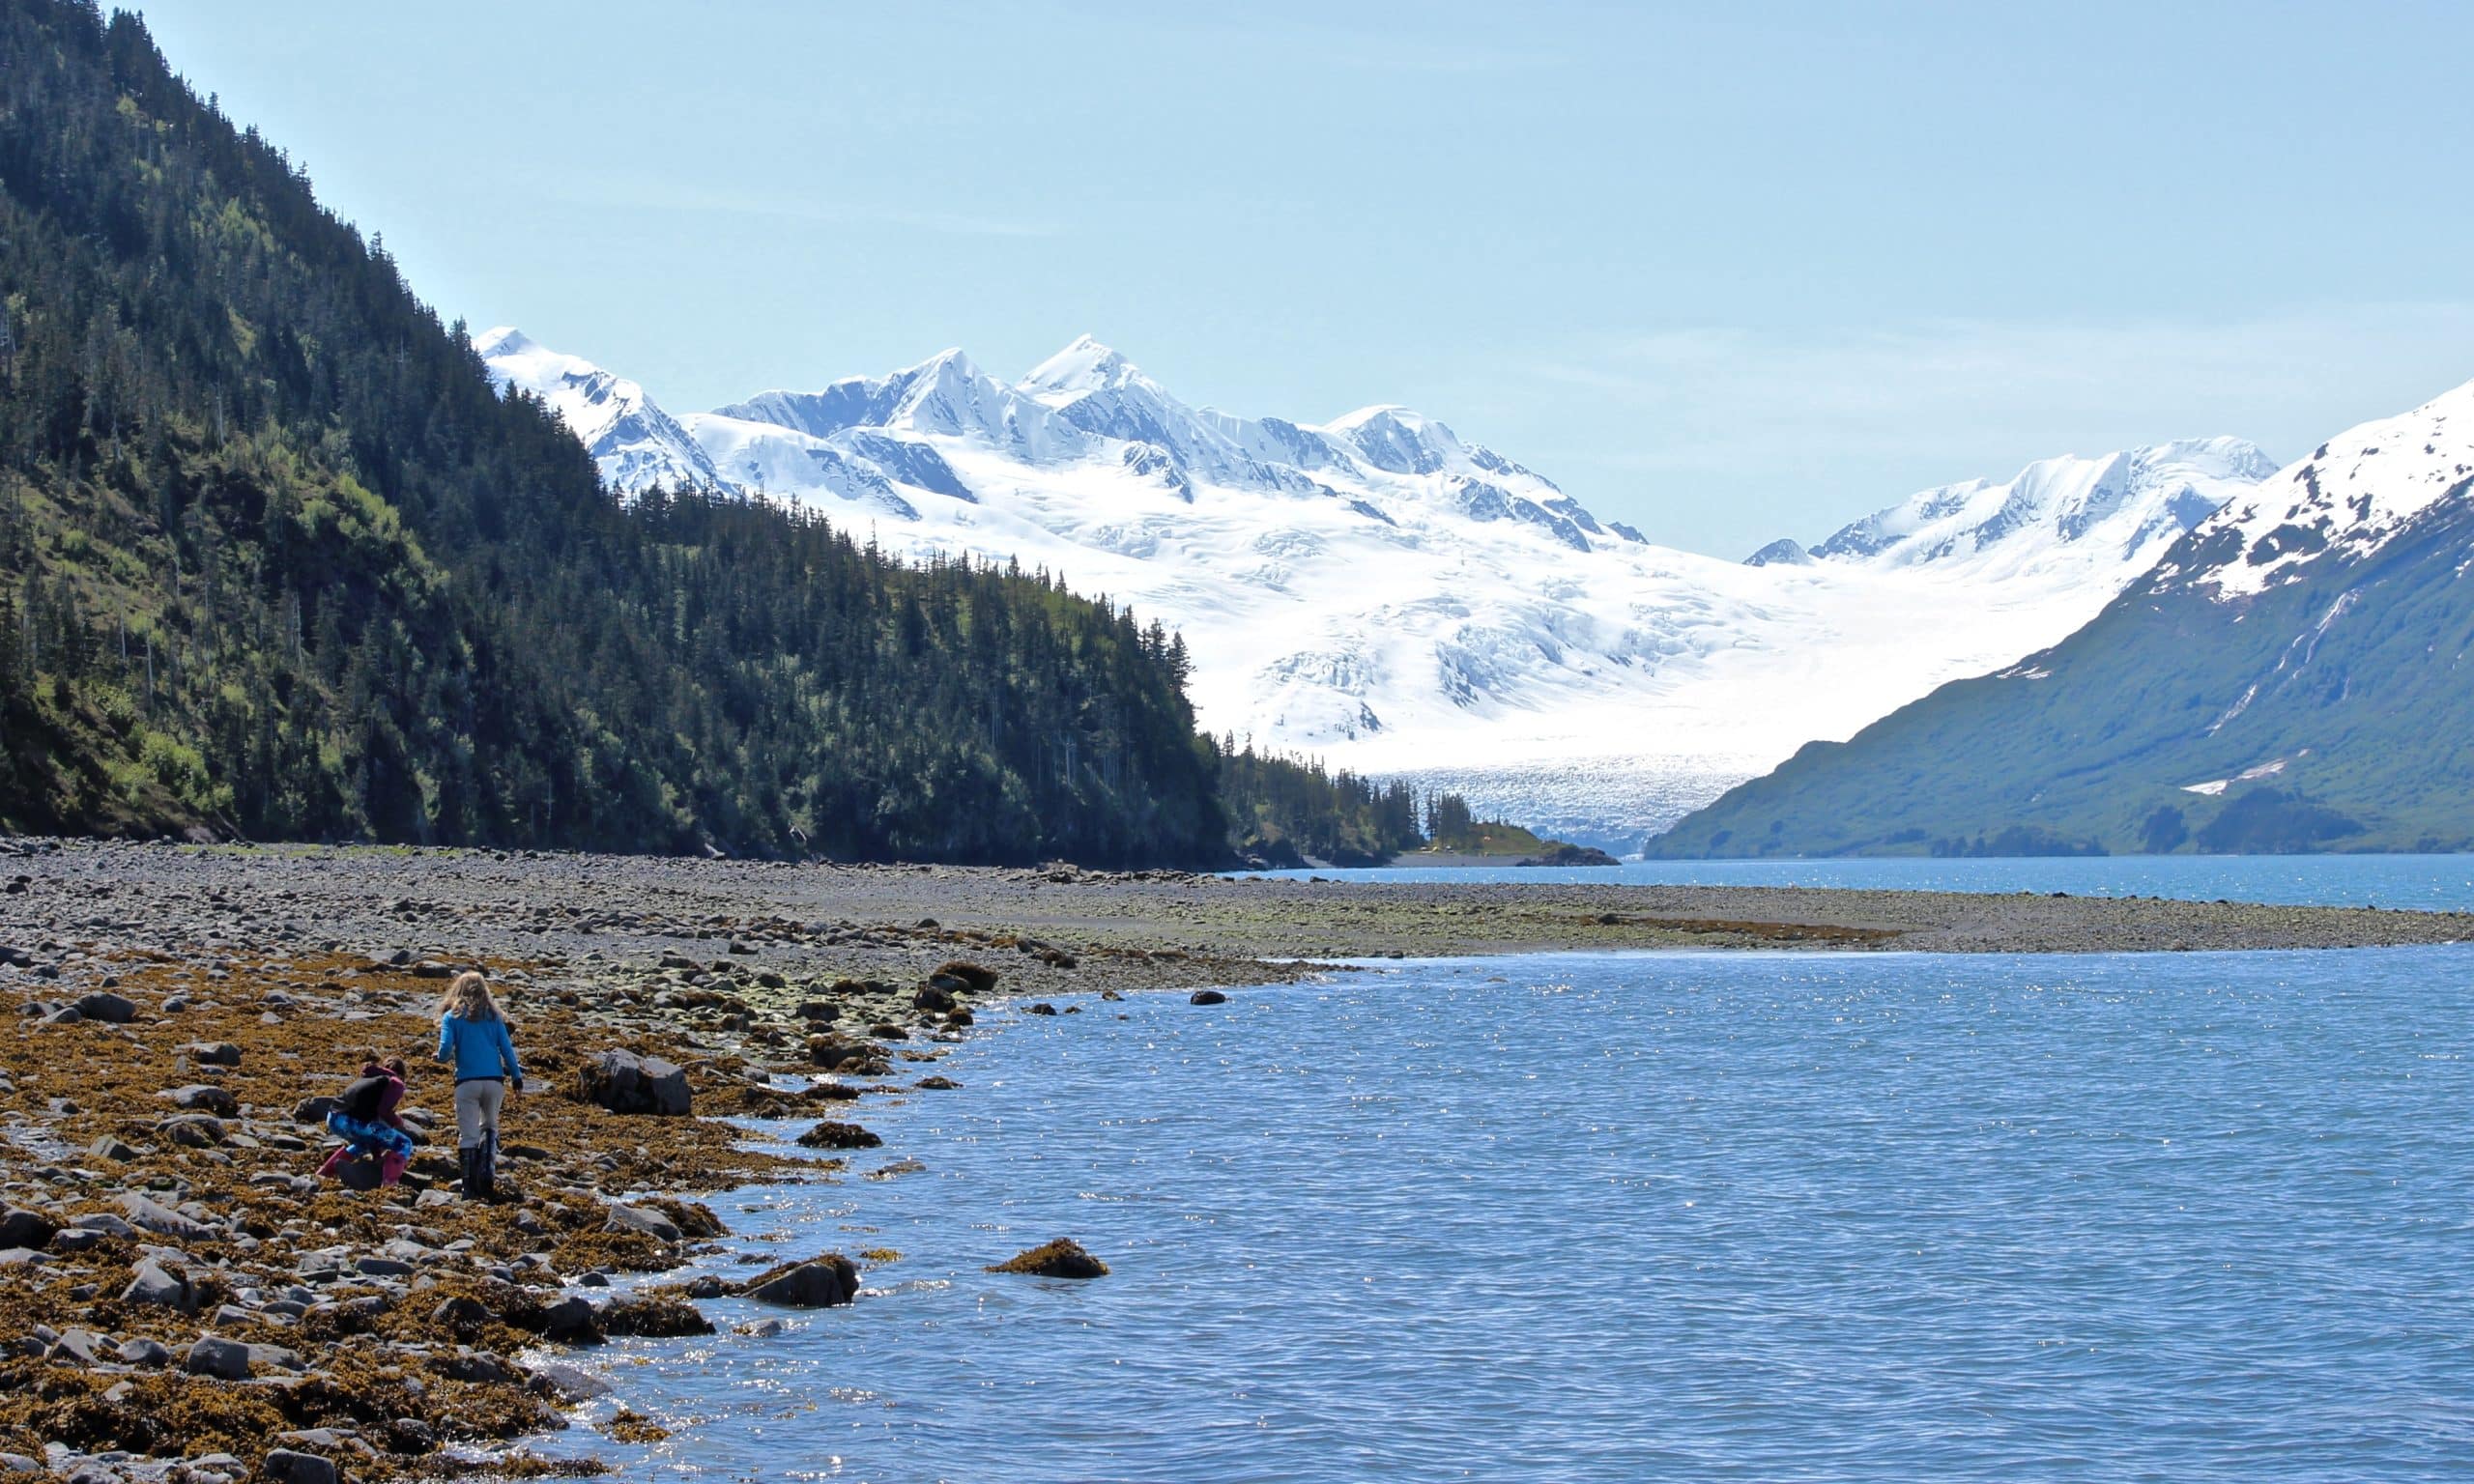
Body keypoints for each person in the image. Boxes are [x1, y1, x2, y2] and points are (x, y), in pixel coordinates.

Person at [435, 971, 523, 1201]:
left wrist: (439, 1058)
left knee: (469, 1135)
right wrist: (516, 1076)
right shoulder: (494, 1017)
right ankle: (487, 1177)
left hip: (467, 1083)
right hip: (494, 1082)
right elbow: (507, 1049)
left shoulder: (451, 1017)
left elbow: (445, 1050)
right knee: (491, 1127)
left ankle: (469, 1187)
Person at [319, 1055, 414, 1187]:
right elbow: (383, 1111)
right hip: (353, 1122)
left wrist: (377, 1156)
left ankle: (324, 1174)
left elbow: (371, 1125)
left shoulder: (371, 1076)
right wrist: (398, 1122)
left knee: (363, 1143)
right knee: (404, 1143)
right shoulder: (396, 1083)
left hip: (333, 1118)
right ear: (402, 1075)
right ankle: (389, 1184)